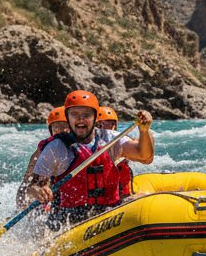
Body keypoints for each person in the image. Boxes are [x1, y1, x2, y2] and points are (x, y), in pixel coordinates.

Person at [24, 90, 154, 228]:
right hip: (70, 219)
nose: (80, 119)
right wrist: (39, 190)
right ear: (68, 118)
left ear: (95, 117)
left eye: (86, 115)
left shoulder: (110, 139)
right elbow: (33, 186)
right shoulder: (56, 147)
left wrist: (144, 131)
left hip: (110, 214)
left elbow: (144, 156)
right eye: (75, 114)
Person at [16, 106, 70, 207]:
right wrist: (35, 189)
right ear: (51, 130)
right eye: (57, 127)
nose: (61, 130)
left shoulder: (80, 147)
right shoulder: (43, 151)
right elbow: (25, 185)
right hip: (49, 199)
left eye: (65, 126)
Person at [96, 105, 133, 198]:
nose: (109, 126)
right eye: (102, 123)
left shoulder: (122, 141)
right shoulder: (89, 145)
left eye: (112, 123)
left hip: (120, 188)